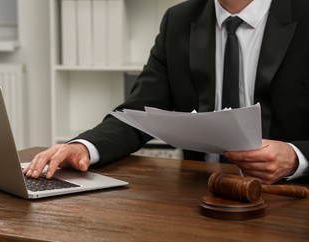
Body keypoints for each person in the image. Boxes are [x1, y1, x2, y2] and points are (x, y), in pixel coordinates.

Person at [24, 0, 309, 184]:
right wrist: (82, 147)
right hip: (202, 193)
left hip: (291, 197)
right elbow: (138, 111)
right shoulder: (179, 20)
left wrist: (297, 157)